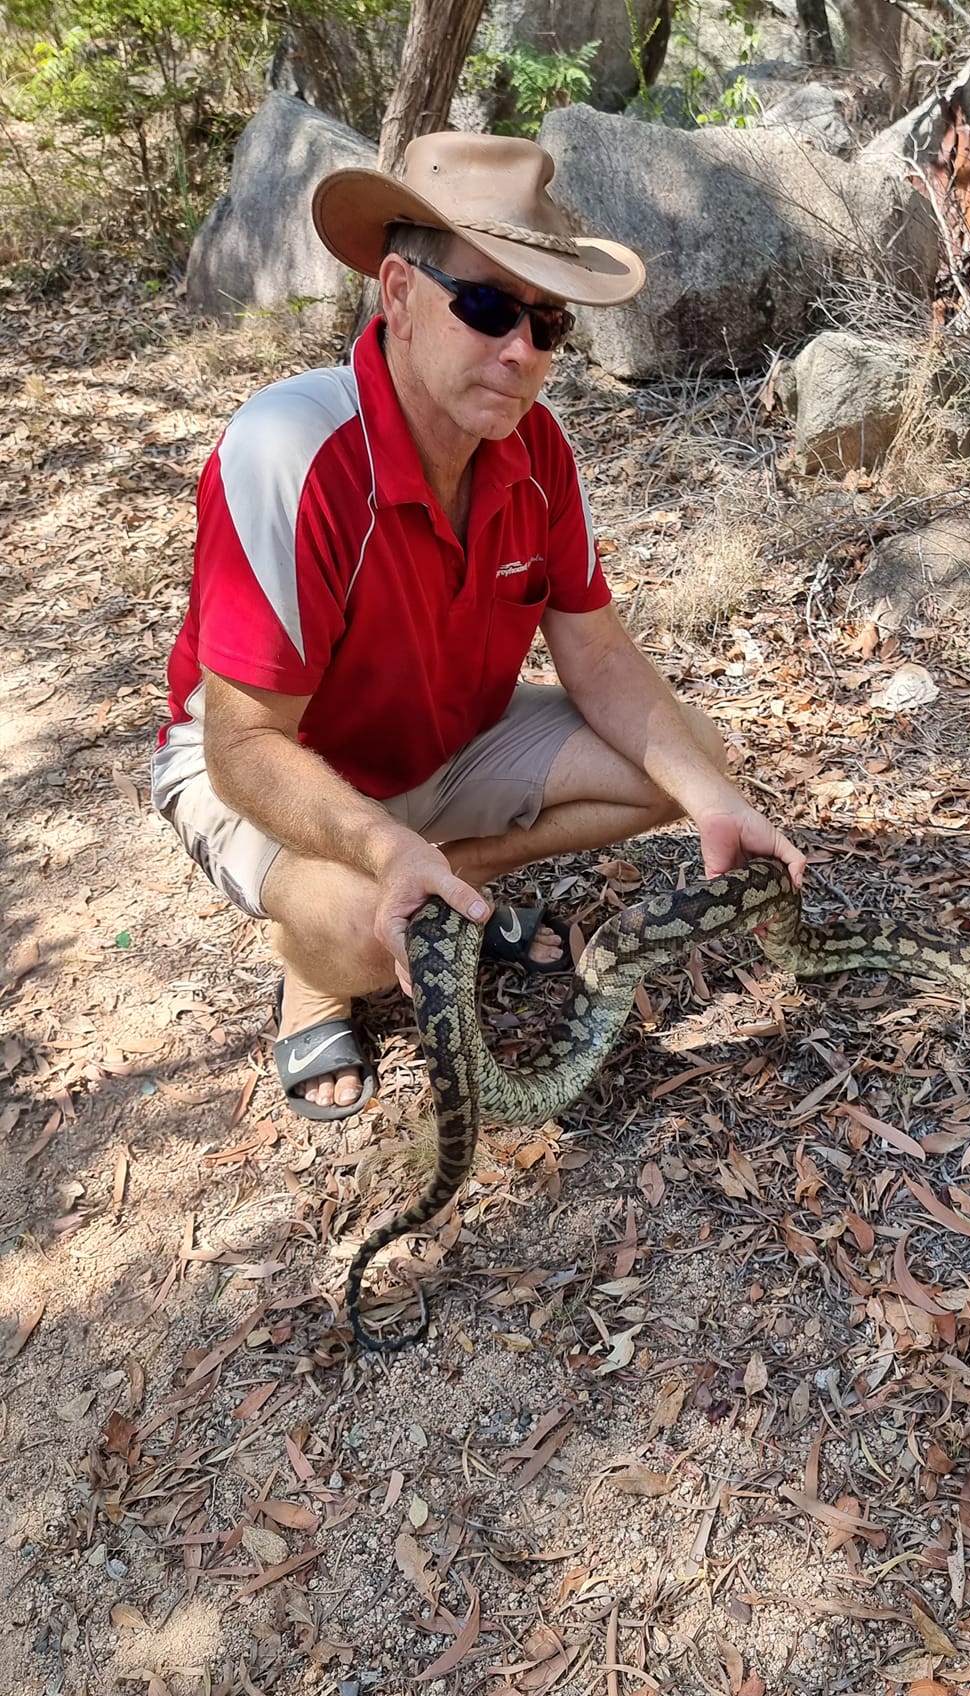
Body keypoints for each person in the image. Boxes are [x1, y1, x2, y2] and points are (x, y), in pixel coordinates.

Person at [152, 132, 805, 1119]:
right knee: (370, 937)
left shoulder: (538, 454)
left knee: (686, 761)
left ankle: (445, 885)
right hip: (270, 766)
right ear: (401, 294)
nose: (522, 352)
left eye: (548, 326)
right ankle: (324, 969)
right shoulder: (294, 450)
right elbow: (243, 743)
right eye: (490, 307)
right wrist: (379, 848)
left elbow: (600, 656)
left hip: (446, 742)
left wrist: (714, 796)